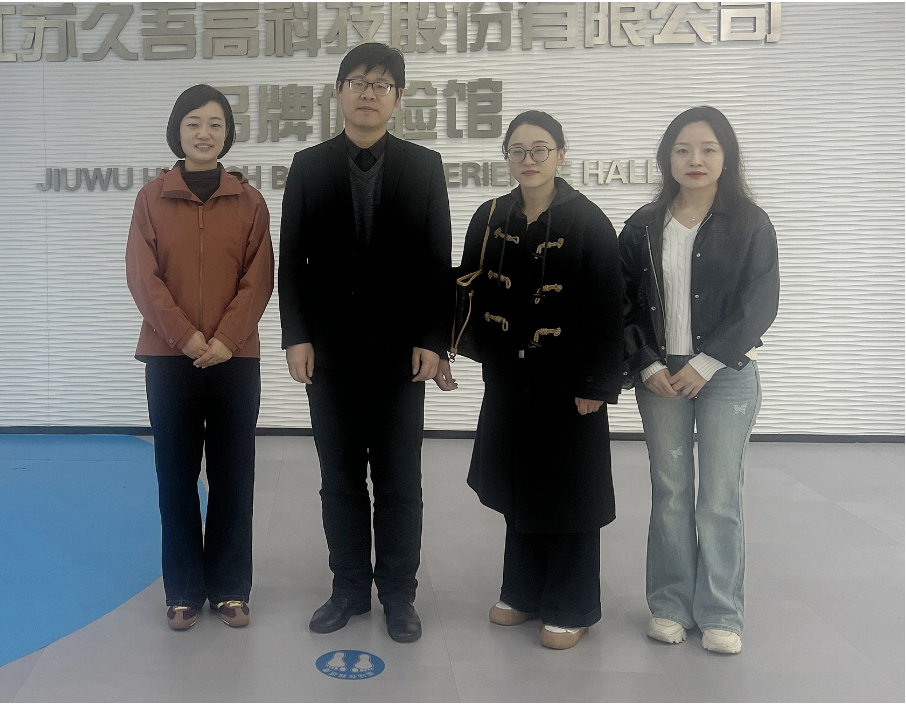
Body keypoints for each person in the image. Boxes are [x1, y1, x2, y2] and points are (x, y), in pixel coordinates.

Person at [278, 42, 452, 643]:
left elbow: (437, 262)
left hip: (402, 357)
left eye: (381, 84)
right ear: (339, 92)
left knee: (400, 483)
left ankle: (399, 595)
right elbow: (291, 262)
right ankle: (349, 588)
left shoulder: (424, 165)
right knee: (341, 480)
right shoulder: (308, 165)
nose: (369, 93)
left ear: (397, 98)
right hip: (328, 355)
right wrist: (296, 336)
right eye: (357, 82)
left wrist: (434, 339)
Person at [434, 111, 624, 650]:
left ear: (561, 154)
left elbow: (609, 305)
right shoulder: (491, 215)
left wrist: (596, 383)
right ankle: (521, 591)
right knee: (520, 485)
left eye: (540, 149)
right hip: (508, 376)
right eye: (517, 150)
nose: (529, 159)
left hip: (568, 382)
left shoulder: (588, 221)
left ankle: (571, 605)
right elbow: (464, 287)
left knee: (569, 492)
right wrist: (447, 347)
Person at [619, 106, 780, 654]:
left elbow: (759, 304)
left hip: (725, 375)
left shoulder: (751, 223)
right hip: (660, 376)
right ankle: (669, 605)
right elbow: (623, 302)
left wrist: (706, 362)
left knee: (718, 496)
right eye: (683, 149)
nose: (695, 159)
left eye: (708, 148)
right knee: (670, 492)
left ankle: (721, 613)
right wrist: (646, 362)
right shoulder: (643, 225)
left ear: (726, 156)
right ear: (667, 157)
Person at [125, 84, 274, 630]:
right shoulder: (151, 198)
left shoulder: (250, 201)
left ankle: (231, 587)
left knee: (234, 475)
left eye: (215, 124)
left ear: (227, 134)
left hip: (235, 359)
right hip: (170, 359)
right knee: (176, 475)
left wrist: (227, 339)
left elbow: (259, 277)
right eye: (193, 123)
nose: (204, 133)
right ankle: (184, 589)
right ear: (177, 131)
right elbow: (143, 276)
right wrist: (184, 337)